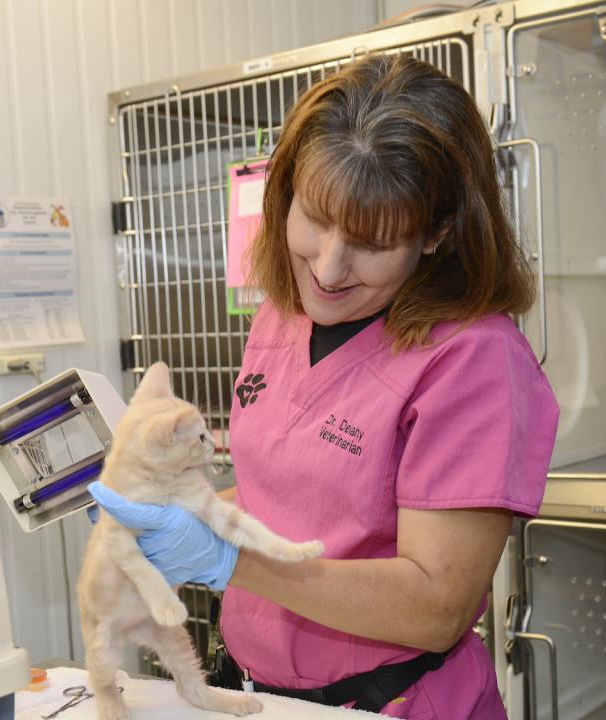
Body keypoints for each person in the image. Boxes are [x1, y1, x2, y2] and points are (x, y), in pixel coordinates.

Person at [89, 54, 558, 719]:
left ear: (438, 232)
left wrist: (226, 556)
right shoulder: (283, 315)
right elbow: (290, 493)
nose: (330, 268)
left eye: (370, 243)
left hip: (386, 703)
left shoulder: (474, 360)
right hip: (256, 691)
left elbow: (435, 607)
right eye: (313, 219)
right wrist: (167, 507)